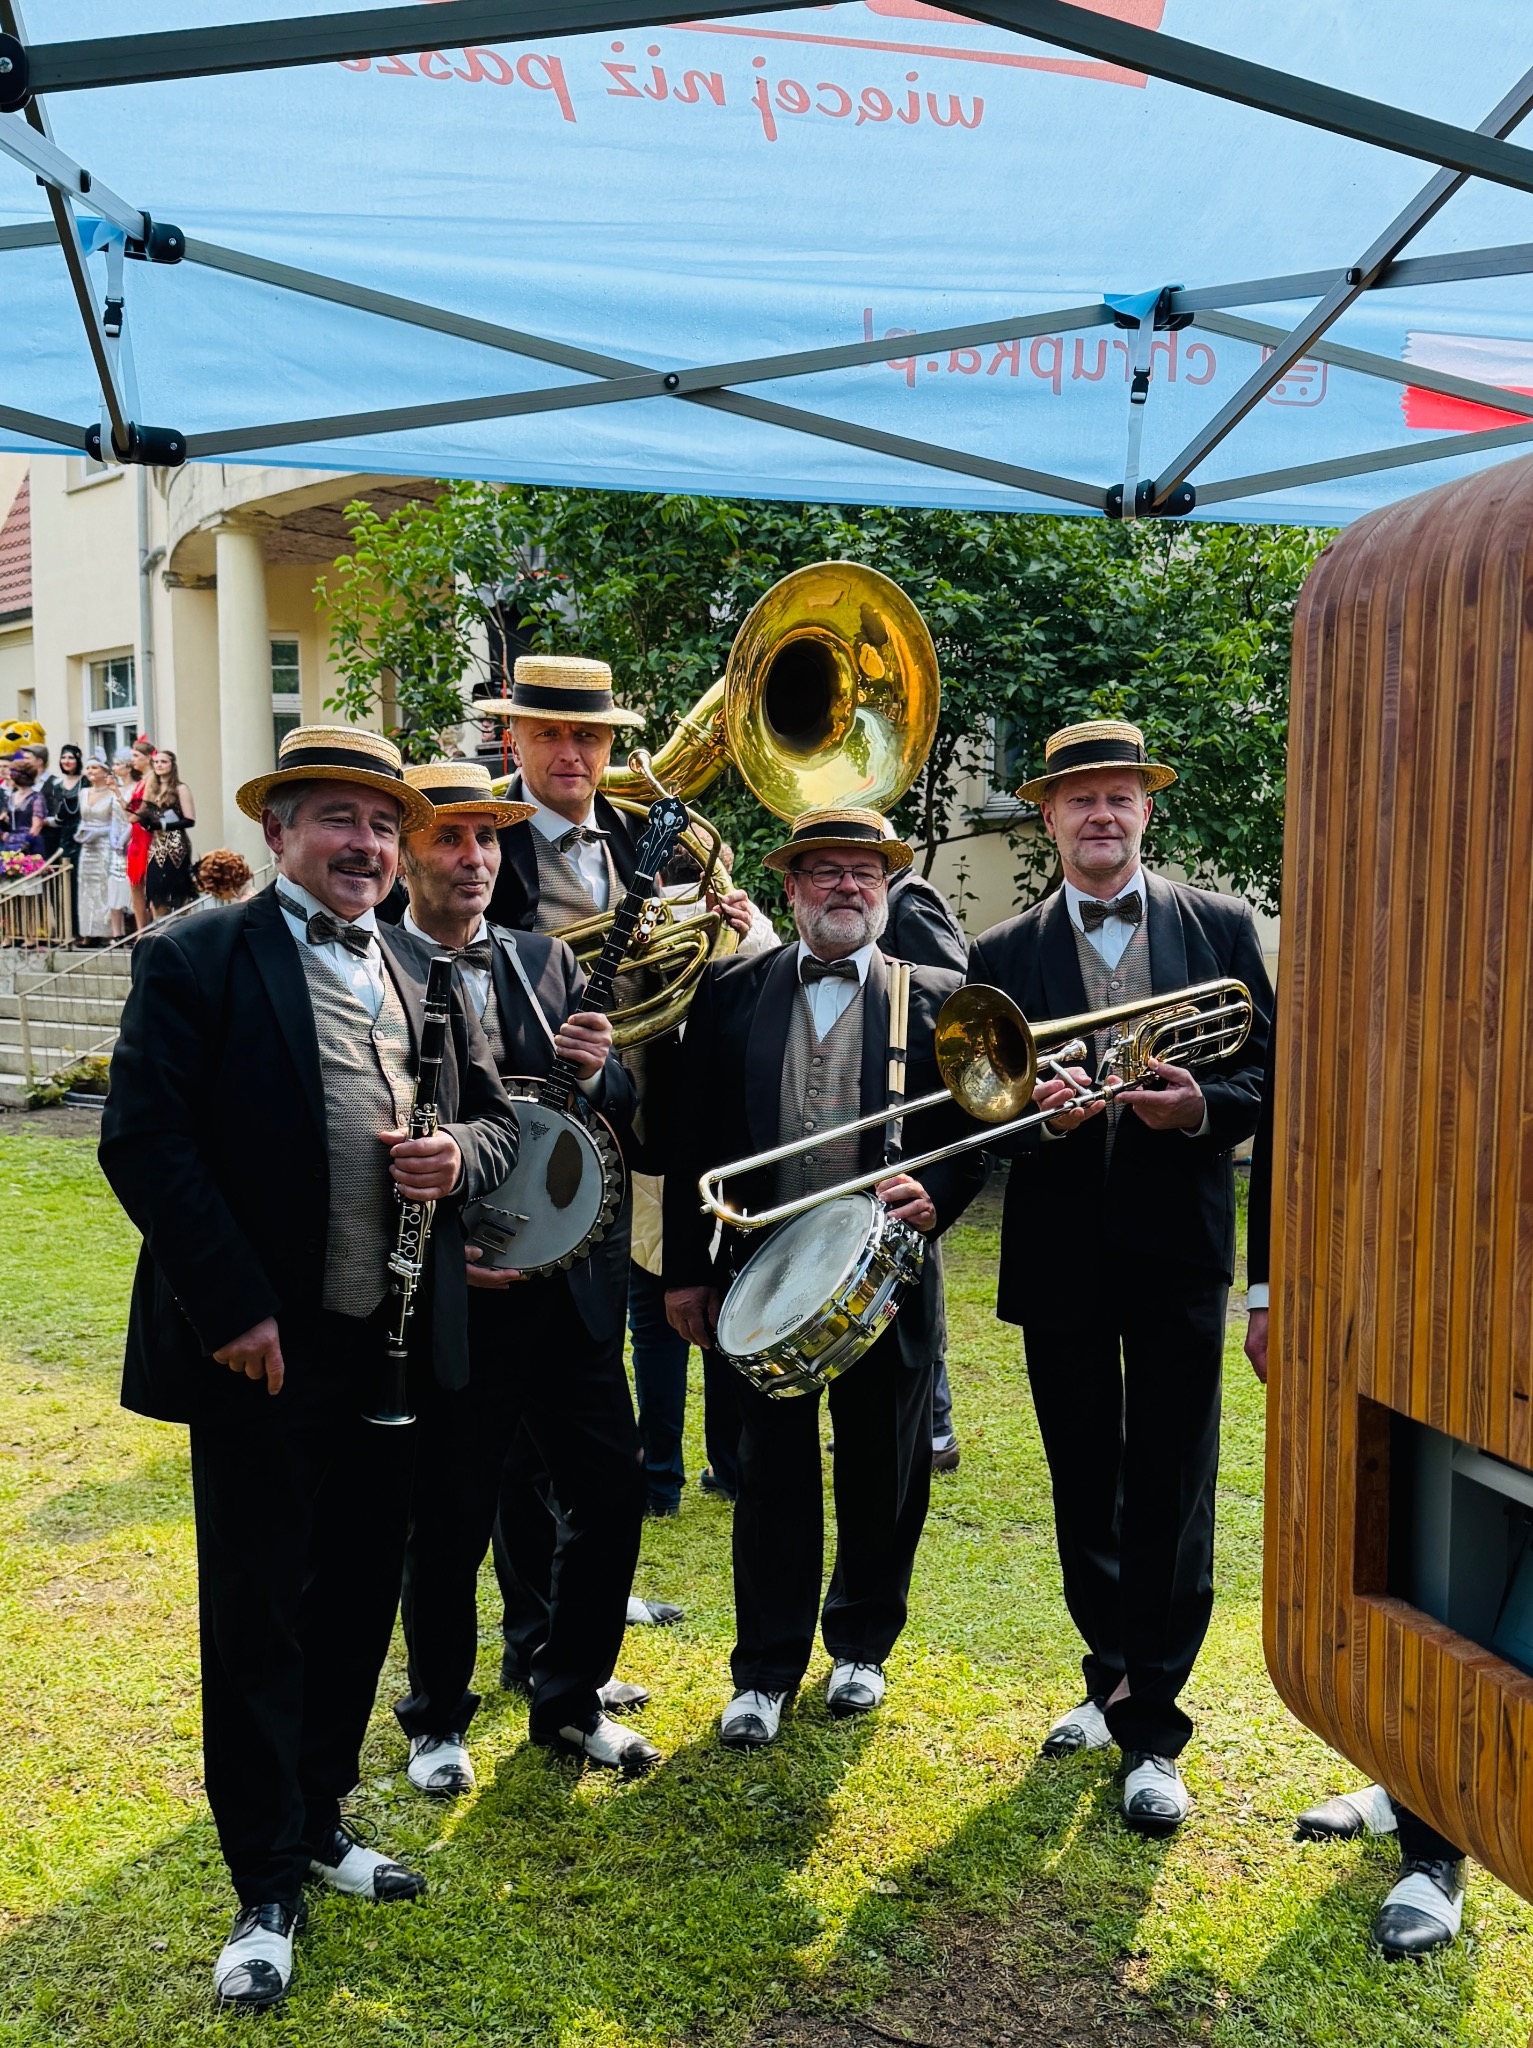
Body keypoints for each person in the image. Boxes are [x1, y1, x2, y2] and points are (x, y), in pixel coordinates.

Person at [97, 726, 518, 2013]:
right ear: (279, 832)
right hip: (260, 1354)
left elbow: (498, 1117)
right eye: (337, 818)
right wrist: (233, 1306)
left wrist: (463, 1162)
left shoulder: (414, 962)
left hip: (386, 1344)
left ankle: (323, 1815)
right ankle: (264, 1878)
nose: (366, 845)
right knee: (259, 1608)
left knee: (353, 1598)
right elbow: (145, 1139)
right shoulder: (196, 953)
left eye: (384, 825)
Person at [967, 719, 1271, 1835]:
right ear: (1047, 814)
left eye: (1120, 796)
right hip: (1062, 1256)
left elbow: (1264, 1079)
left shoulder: (1220, 925)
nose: (1101, 814)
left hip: (1180, 1247)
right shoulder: (1001, 954)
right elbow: (977, 1116)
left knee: (1176, 1481)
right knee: (1081, 1475)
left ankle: (1157, 1723)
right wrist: (1027, 1119)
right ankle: (1111, 1675)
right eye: (1079, 798)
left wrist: (1198, 1106)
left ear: (1147, 810)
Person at [664, 806, 987, 1749]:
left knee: (885, 1467)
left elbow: (980, 1130)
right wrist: (688, 1275)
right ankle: (764, 1669)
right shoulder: (730, 994)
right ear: (791, 889)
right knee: (765, 1471)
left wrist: (939, 1190)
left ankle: (860, 1648)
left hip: (885, 1272)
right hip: (758, 1274)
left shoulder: (936, 992)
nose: (848, 887)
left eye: (865, 872)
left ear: (884, 889)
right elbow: (692, 1141)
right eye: (827, 872)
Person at [388, 759, 661, 1786]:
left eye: (488, 840)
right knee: (451, 1512)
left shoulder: (545, 960)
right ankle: (438, 1716)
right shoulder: (373, 966)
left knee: (612, 1493)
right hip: (460, 1294)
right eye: (452, 837)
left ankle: (569, 1695)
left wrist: (603, 1070)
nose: (473, 858)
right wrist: (445, 1244)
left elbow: (614, 1102)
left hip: (571, 1290)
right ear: (410, 848)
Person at [1244, 1036, 1469, 1958]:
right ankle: (1401, 1779)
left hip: (1479, 1291)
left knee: (1453, 1562)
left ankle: (1439, 1847)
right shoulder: (1376, 934)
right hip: (1363, 1285)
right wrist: (1266, 1286)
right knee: (1371, 1547)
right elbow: (1290, 1122)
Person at [628, 841, 778, 1515]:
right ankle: (728, 1466)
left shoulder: (636, 920)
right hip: (709, 1149)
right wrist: (759, 936)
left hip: (660, 1146)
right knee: (721, 1310)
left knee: (659, 1323)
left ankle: (661, 1480)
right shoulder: (742, 932)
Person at [882, 842, 969, 1474]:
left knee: (914, 1268)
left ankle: (934, 1426)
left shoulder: (909, 906)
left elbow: (951, 1000)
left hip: (911, 1117)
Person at [135, 746, 197, 918]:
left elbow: (190, 820)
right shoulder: (151, 788)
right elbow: (141, 813)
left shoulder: (180, 788)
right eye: (156, 762)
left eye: (163, 762)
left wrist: (161, 826)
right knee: (155, 889)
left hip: (176, 845)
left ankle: (180, 925)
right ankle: (160, 927)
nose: (159, 765)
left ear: (172, 765)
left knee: (177, 889)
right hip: (156, 845)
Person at [75, 758, 130, 941]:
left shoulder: (113, 793)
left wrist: (98, 832)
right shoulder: (83, 792)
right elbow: (84, 818)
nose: (90, 770)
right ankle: (88, 931)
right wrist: (80, 833)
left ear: (105, 771)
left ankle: (108, 932)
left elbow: (117, 820)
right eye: (88, 767)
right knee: (86, 887)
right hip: (87, 846)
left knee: (104, 887)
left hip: (106, 844)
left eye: (95, 767)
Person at [120, 737, 155, 932]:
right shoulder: (141, 780)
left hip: (146, 835)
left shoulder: (152, 779)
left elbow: (141, 810)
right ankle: (141, 929)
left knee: (146, 884)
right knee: (135, 884)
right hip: (137, 836)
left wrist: (132, 815)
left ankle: (147, 927)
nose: (132, 760)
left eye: (136, 756)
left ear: (148, 757)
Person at [52, 744, 83, 930]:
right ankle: (68, 926)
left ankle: (82, 928)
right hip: (64, 834)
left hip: (82, 833)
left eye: (71, 758)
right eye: (64, 758)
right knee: (66, 881)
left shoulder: (85, 781)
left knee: (81, 880)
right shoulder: (57, 785)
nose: (67, 761)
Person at [2, 751, 47, 853]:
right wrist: (4, 834)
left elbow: (37, 826)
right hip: (11, 842)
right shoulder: (11, 797)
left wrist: (25, 844)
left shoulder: (36, 797)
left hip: (29, 843)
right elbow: (4, 818)